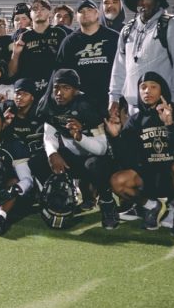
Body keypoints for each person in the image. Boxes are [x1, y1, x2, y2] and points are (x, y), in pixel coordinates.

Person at [106, 72, 174, 237]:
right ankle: (150, 206)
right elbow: (126, 160)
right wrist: (116, 138)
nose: (147, 91)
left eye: (153, 87)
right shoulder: (135, 120)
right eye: (143, 87)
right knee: (117, 180)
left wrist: (170, 125)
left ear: (163, 90)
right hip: (149, 179)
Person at [35, 69, 116, 229]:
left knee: (94, 165)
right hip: (70, 156)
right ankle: (55, 199)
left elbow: (102, 149)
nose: (59, 93)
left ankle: (107, 202)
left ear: (76, 90)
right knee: (37, 161)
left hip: (93, 157)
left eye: (66, 88)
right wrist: (53, 153)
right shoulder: (49, 103)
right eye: (56, 87)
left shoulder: (87, 106)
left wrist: (80, 137)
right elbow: (49, 134)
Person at [108, 0, 174, 117]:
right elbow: (119, 66)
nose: (143, 3)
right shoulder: (127, 30)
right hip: (133, 108)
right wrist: (114, 97)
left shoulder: (172, 25)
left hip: (162, 106)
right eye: (139, 0)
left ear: (157, 2)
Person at [56, 0, 119, 111]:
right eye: (81, 11)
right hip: (80, 103)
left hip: (110, 100)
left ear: (97, 13)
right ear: (76, 17)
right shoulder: (69, 42)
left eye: (89, 9)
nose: (85, 13)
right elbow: (61, 74)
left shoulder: (114, 38)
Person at [8, 0, 66, 91]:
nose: (38, 11)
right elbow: (11, 73)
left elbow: (67, 64)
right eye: (35, 9)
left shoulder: (59, 33)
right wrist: (15, 54)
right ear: (30, 14)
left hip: (54, 89)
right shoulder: (24, 37)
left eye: (43, 8)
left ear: (50, 13)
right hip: (30, 92)